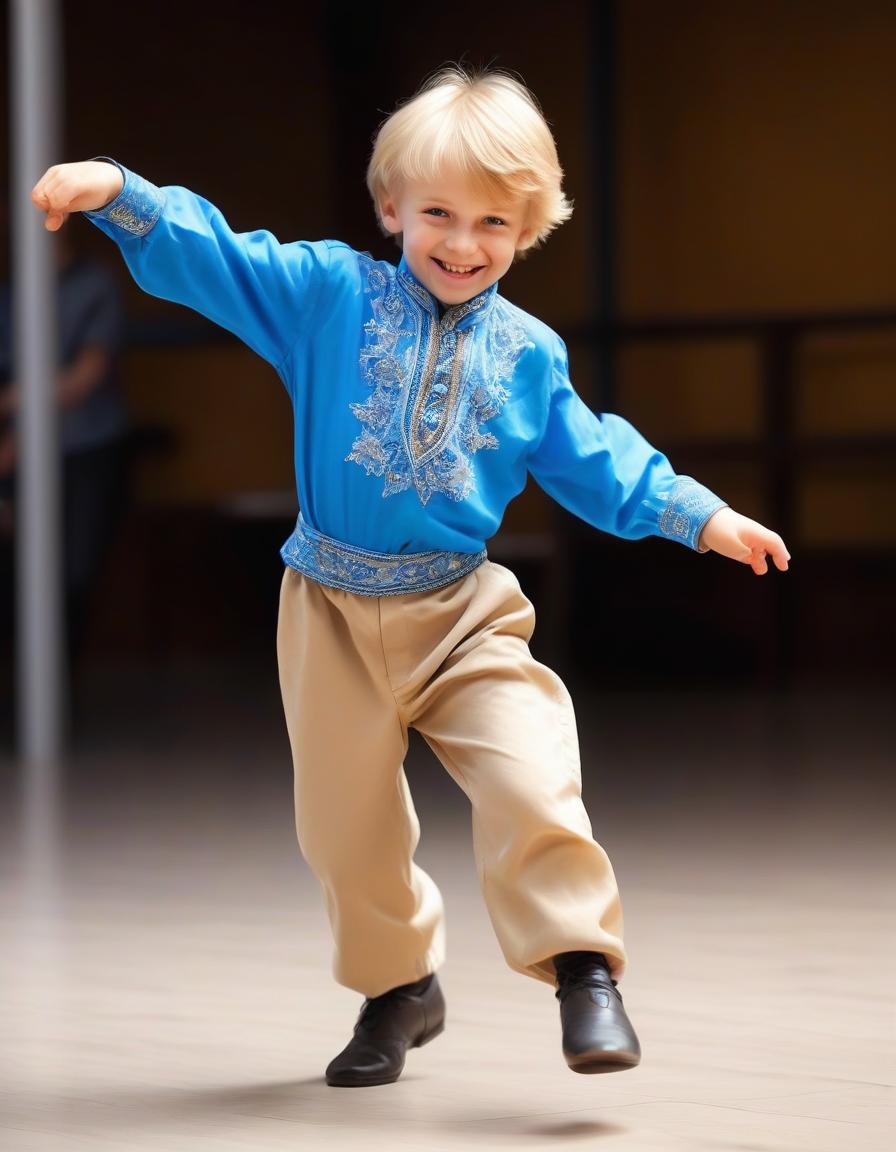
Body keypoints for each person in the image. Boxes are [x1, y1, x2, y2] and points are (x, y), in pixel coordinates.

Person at [30, 64, 790, 1087]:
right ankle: (398, 990)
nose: (461, 243)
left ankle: (580, 966)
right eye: (436, 212)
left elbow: (593, 455)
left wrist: (700, 516)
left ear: (527, 230)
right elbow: (223, 260)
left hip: (461, 610)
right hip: (329, 612)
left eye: (492, 223)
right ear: (390, 206)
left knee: (530, 774)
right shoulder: (327, 297)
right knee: (345, 829)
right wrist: (119, 191)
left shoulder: (526, 355)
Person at [0, 220, 129, 713]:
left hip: (88, 451)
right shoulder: (13, 294)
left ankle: (57, 701)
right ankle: (28, 701)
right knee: (23, 576)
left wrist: (17, 401)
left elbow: (87, 374)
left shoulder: (94, 285)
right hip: (27, 455)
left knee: (74, 573)